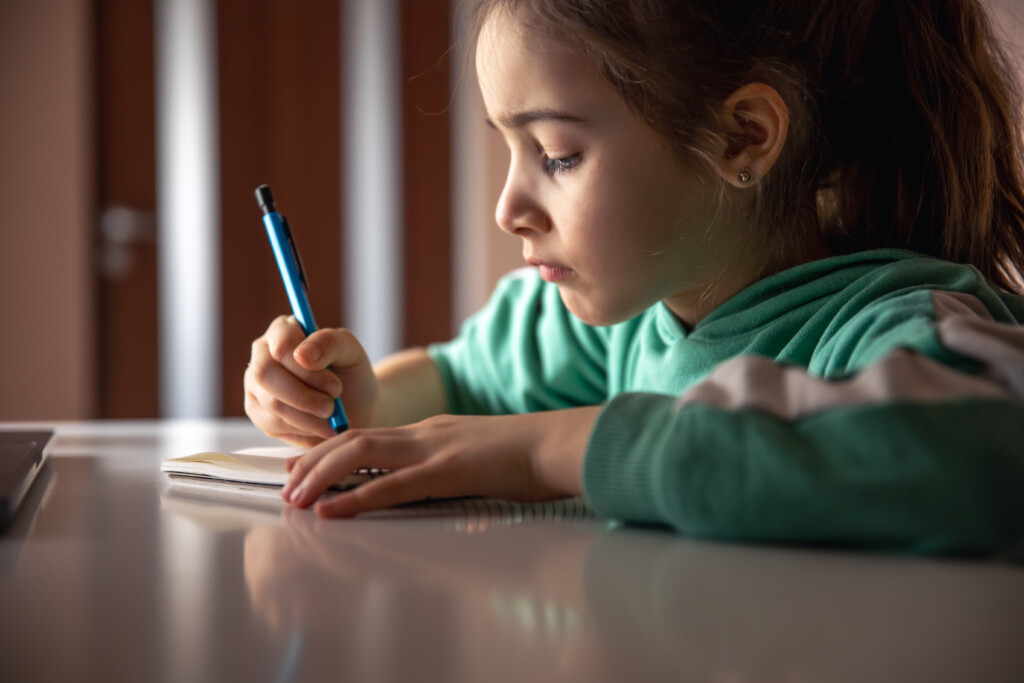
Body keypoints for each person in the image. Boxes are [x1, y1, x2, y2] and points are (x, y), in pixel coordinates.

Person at [244, 0, 1024, 556]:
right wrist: (356, 400)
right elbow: (460, 381)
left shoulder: (888, 321)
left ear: (740, 138)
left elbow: (988, 454)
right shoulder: (615, 322)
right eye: (510, 149)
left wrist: (552, 449)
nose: (507, 208)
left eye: (557, 155)